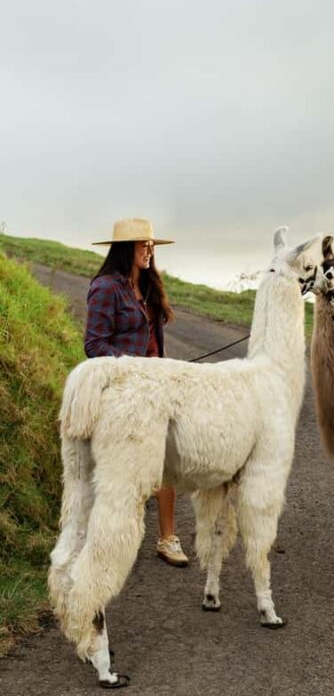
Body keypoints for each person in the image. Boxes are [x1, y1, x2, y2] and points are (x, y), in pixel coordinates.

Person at [85, 217, 189, 567]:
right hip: (120, 391)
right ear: (125, 248)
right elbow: (94, 344)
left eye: (151, 245)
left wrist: (161, 373)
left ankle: (167, 539)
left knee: (166, 460)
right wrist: (134, 367)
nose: (149, 250)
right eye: (143, 244)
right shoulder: (105, 288)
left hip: (153, 388)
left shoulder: (148, 287)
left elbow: (155, 345)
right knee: (124, 468)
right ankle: (109, 541)